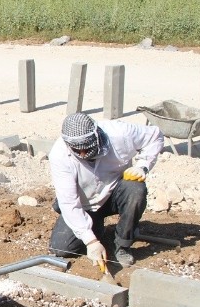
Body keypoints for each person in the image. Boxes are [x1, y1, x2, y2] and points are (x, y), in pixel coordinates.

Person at [48, 112, 164, 269]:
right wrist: (91, 241)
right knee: (62, 248)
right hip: (84, 203)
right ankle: (95, 226)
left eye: (87, 148)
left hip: (114, 194)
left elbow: (155, 136)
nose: (83, 154)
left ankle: (123, 244)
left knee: (135, 189)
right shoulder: (60, 155)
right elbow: (69, 203)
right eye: (77, 150)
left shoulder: (120, 134)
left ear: (96, 136)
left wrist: (142, 166)